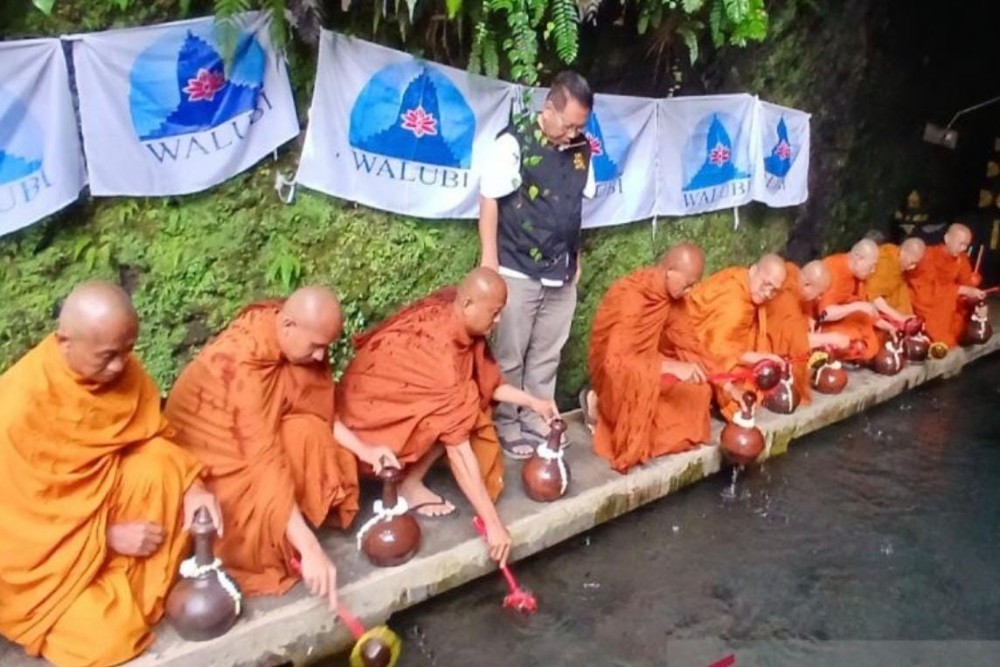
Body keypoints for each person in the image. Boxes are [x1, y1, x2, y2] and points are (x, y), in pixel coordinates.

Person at [0, 281, 221, 667]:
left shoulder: (122, 373)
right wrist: (104, 537)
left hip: (103, 508)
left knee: (162, 464)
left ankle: (126, 593)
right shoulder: (18, 407)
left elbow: (154, 437)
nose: (119, 366)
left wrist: (195, 488)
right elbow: (15, 525)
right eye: (106, 356)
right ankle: (117, 601)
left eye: (127, 350)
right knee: (107, 640)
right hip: (48, 560)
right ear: (64, 342)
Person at [164, 286, 391, 612]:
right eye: (315, 347)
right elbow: (263, 462)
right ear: (287, 325)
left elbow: (318, 412)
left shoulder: (289, 345)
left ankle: (290, 527)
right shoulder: (240, 366)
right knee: (256, 530)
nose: (320, 357)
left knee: (308, 431)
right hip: (213, 464)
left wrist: (365, 451)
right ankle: (282, 538)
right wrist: (310, 548)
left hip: (255, 446)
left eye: (325, 347)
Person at [337, 268, 558, 568]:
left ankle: (409, 484)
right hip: (367, 424)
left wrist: (533, 402)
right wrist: (493, 524)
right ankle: (404, 483)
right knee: (459, 412)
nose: (498, 321)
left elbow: (487, 384)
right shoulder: (440, 356)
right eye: (494, 313)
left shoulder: (453, 316)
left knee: (464, 404)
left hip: (404, 403)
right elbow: (459, 449)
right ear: (467, 304)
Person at [477, 70, 596, 458]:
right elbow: (489, 199)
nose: (573, 133)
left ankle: (536, 416)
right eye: (569, 125)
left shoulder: (581, 150)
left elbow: (575, 207)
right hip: (517, 267)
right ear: (549, 108)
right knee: (510, 355)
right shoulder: (513, 143)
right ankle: (507, 423)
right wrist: (490, 262)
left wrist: (576, 257)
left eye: (580, 126)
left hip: (562, 272)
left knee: (547, 354)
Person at [586, 243, 713, 472]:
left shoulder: (674, 299)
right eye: (688, 284)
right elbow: (616, 362)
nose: (690, 291)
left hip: (647, 369)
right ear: (669, 272)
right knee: (643, 429)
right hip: (619, 379)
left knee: (700, 392)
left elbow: (689, 343)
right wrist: (670, 367)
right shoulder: (632, 297)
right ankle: (597, 403)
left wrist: (725, 385)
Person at [687, 254, 788, 420]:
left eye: (774, 290)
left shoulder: (741, 277)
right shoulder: (734, 303)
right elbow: (715, 350)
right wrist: (759, 358)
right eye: (766, 284)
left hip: (729, 348)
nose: (768, 293)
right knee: (741, 398)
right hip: (695, 354)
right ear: (753, 270)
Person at [764, 259, 848, 402]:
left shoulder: (795, 275)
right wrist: (832, 338)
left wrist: (806, 320)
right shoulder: (785, 297)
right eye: (820, 293)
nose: (819, 298)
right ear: (807, 285)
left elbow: (794, 320)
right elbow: (792, 340)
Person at [906, 223, 987, 347]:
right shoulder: (928, 255)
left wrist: (977, 299)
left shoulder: (962, 259)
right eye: (961, 244)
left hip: (949, 301)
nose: (964, 248)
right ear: (947, 238)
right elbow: (922, 290)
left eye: (966, 245)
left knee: (966, 319)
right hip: (928, 302)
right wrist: (959, 290)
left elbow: (967, 285)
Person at [815, 239, 892, 361]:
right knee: (856, 343)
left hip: (851, 324)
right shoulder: (833, 269)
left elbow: (868, 311)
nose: (873, 270)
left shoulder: (858, 275)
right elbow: (824, 314)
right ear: (859, 259)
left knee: (876, 340)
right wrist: (857, 306)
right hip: (826, 326)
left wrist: (890, 327)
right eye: (871, 266)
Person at [866, 237, 926, 323]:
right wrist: (899, 317)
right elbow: (874, 296)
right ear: (903, 252)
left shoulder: (899, 267)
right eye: (912, 263)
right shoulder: (885, 261)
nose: (913, 267)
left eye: (916, 263)